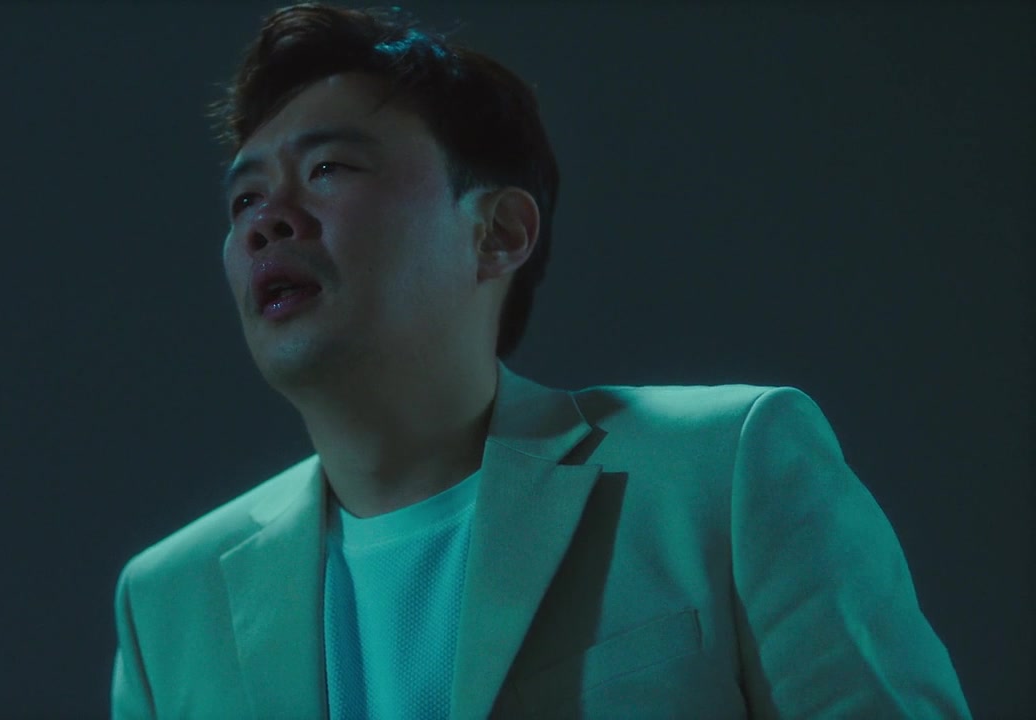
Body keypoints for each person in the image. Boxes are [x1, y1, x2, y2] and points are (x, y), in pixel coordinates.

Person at [111, 3, 972, 717]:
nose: (267, 220)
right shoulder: (167, 603)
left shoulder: (727, 469)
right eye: (245, 198)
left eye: (328, 167)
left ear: (498, 233)